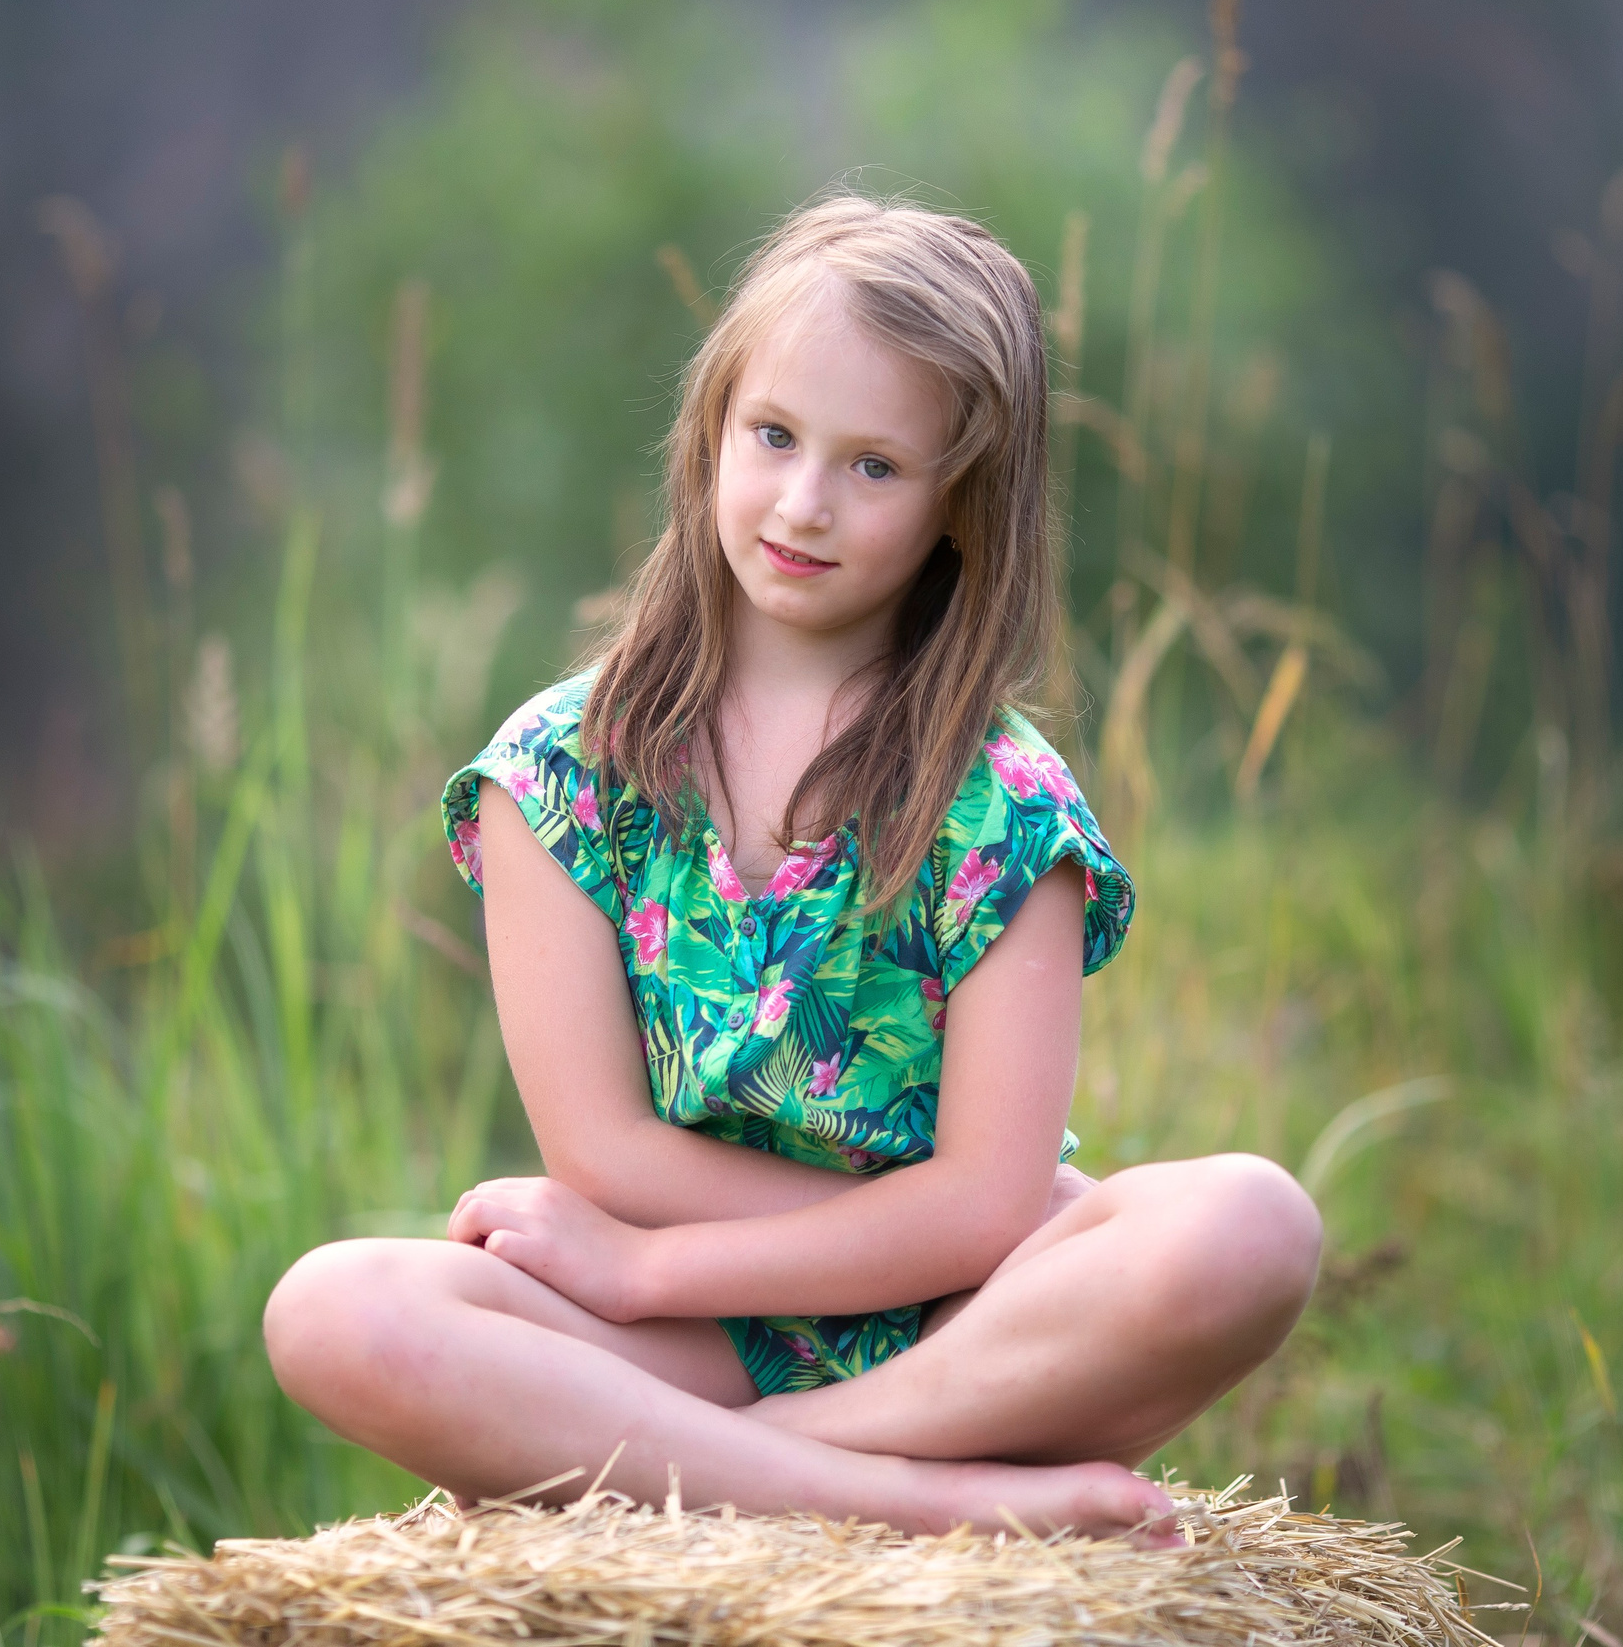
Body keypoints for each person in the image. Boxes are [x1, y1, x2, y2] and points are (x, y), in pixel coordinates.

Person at [265, 193, 1322, 1540]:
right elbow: (600, 1146)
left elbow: (990, 1207)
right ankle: (904, 1500)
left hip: (974, 1323)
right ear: (714, 431)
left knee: (1251, 1223)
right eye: (774, 437)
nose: (805, 502)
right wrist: (750, 1257)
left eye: (876, 466)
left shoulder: (1002, 806)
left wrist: (653, 1261)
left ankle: (753, 1464)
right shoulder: (559, 774)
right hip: (704, 1336)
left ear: (959, 505)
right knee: (335, 1310)